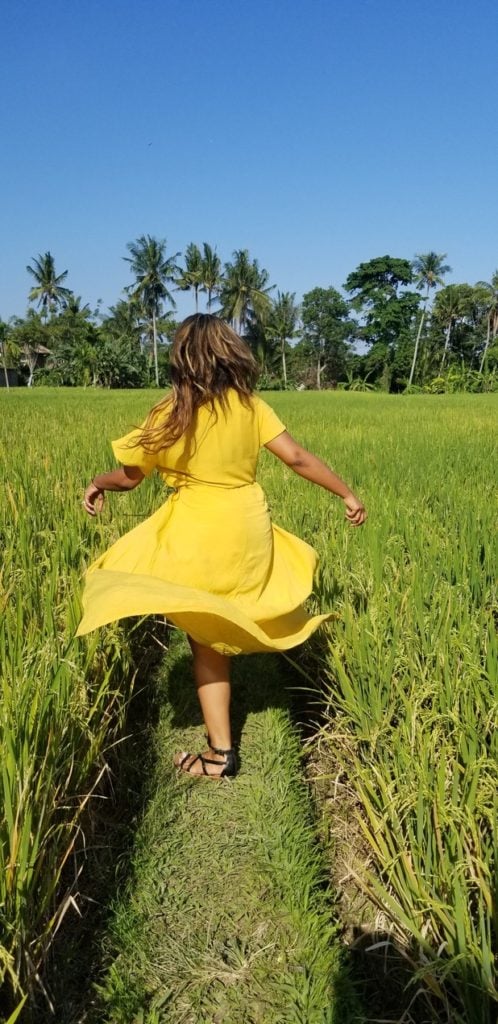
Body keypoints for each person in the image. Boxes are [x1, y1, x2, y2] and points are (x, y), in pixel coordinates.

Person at [78, 314, 366, 779]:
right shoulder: (250, 406)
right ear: (229, 354)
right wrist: (347, 494)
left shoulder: (169, 413)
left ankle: (220, 754)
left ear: (181, 359)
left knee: (203, 635)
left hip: (198, 529)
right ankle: (243, 661)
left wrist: (97, 482)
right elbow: (296, 458)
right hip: (247, 525)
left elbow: (130, 478)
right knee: (231, 609)